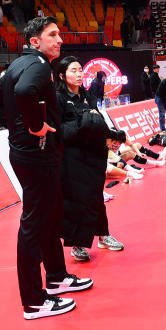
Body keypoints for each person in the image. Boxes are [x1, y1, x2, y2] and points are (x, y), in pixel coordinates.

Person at [0, 16, 93, 320]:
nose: (60, 40)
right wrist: (34, 126)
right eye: (53, 35)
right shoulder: (38, 65)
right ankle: (33, 302)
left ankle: (56, 277)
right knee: (34, 226)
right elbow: (22, 94)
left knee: (51, 216)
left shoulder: (17, 65)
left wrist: (15, 125)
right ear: (35, 41)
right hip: (37, 155)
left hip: (31, 153)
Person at [55, 56, 124, 263]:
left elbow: (98, 121)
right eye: (73, 71)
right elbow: (58, 132)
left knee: (96, 196)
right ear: (61, 75)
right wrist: (80, 123)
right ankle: (77, 244)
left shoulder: (88, 95)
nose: (78, 74)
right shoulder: (57, 98)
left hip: (95, 154)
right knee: (76, 200)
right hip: (73, 157)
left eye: (79, 70)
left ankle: (103, 235)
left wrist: (111, 135)